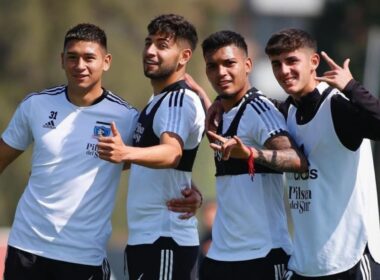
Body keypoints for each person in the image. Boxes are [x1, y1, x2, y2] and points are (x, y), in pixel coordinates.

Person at [0, 23, 139, 280]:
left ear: (106, 62)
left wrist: (189, 191)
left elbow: (148, 160)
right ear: (62, 60)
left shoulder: (127, 117)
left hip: (83, 254)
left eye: (89, 58)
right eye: (72, 57)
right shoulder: (36, 105)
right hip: (27, 247)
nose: (80, 65)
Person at [262, 28, 380, 279]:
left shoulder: (336, 106)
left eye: (292, 61)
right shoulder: (287, 112)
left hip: (350, 260)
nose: (283, 71)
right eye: (276, 64)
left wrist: (351, 86)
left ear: (314, 62)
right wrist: (218, 101)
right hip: (305, 264)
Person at [193, 30, 308, 280]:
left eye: (229, 63)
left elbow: (298, 160)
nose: (221, 72)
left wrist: (250, 153)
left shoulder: (259, 108)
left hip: (262, 256)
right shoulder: (220, 113)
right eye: (212, 66)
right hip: (219, 256)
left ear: (247, 65)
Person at [97, 14, 205, 280]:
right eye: (148, 43)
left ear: (184, 56)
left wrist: (125, 152)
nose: (150, 51)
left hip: (165, 240)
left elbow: (172, 153)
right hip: (148, 239)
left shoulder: (178, 99)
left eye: (162, 45)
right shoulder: (158, 100)